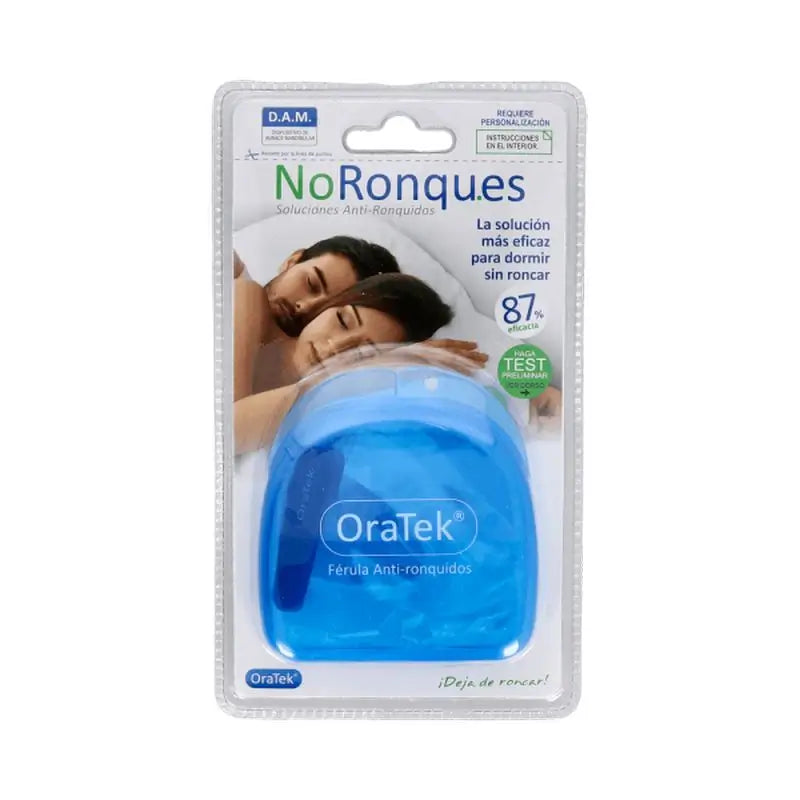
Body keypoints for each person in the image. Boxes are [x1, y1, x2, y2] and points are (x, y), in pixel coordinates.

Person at [234, 273, 488, 454]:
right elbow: (228, 430)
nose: (335, 346)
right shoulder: (245, 298)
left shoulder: (323, 408)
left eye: (362, 354)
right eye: (343, 321)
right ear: (328, 306)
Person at [234, 236, 399, 400]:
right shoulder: (235, 280)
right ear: (293, 260)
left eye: (324, 310)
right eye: (311, 284)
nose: (305, 307)